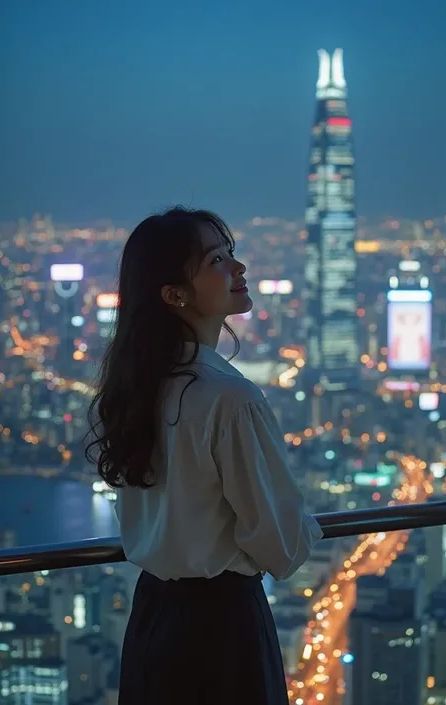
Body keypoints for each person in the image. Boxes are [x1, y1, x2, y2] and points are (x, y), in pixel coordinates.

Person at [86, 206, 323, 705]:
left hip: (150, 618)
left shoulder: (133, 389)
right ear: (175, 295)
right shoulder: (229, 398)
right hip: (222, 628)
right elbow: (281, 547)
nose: (239, 269)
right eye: (217, 260)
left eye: (232, 254)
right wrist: (307, 523)